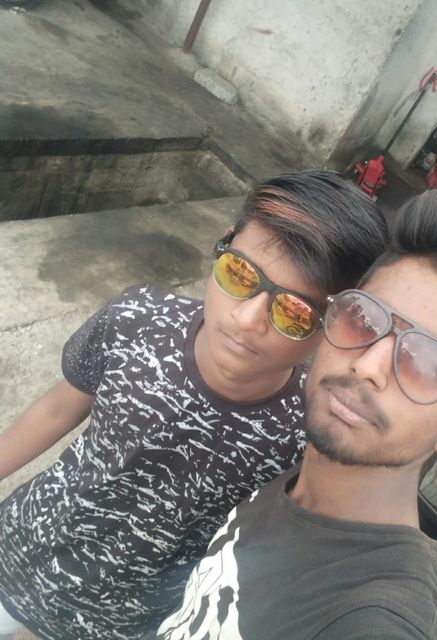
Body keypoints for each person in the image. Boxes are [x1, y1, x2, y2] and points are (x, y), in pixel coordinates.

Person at [0, 170, 388, 640]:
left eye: (294, 312)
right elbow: (57, 408)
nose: (247, 319)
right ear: (224, 243)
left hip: (122, 623)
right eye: (239, 274)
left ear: (333, 327)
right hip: (22, 549)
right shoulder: (136, 319)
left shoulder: (308, 435)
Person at [153, 189, 437, 640]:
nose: (367, 366)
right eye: (364, 318)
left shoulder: (381, 617)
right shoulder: (303, 476)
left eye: (427, 364)